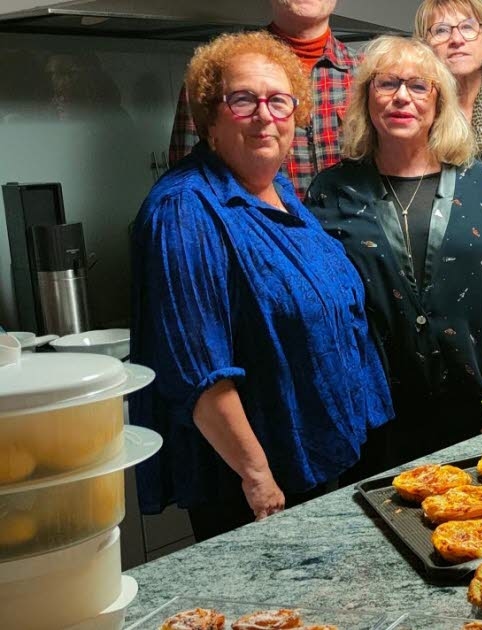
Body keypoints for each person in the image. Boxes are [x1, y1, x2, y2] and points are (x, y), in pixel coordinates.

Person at [130, 32, 392, 542]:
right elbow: (200, 373)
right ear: (210, 118)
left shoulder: (281, 192)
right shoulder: (186, 209)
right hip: (257, 487)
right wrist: (257, 478)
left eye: (278, 100)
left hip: (317, 461)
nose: (264, 115)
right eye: (243, 99)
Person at [306, 36, 482, 462]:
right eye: (386, 84)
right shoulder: (332, 192)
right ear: (365, 98)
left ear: (438, 102)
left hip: (478, 410)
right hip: (374, 419)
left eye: (418, 86)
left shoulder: (479, 185)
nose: (401, 98)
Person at [167, 0, 354, 197]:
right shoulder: (212, 77)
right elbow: (185, 183)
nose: (264, 115)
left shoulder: (371, 78)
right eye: (244, 100)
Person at [414, 0, 482, 173]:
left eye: (467, 27)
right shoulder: (413, 117)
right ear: (424, 47)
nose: (456, 39)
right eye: (441, 30)